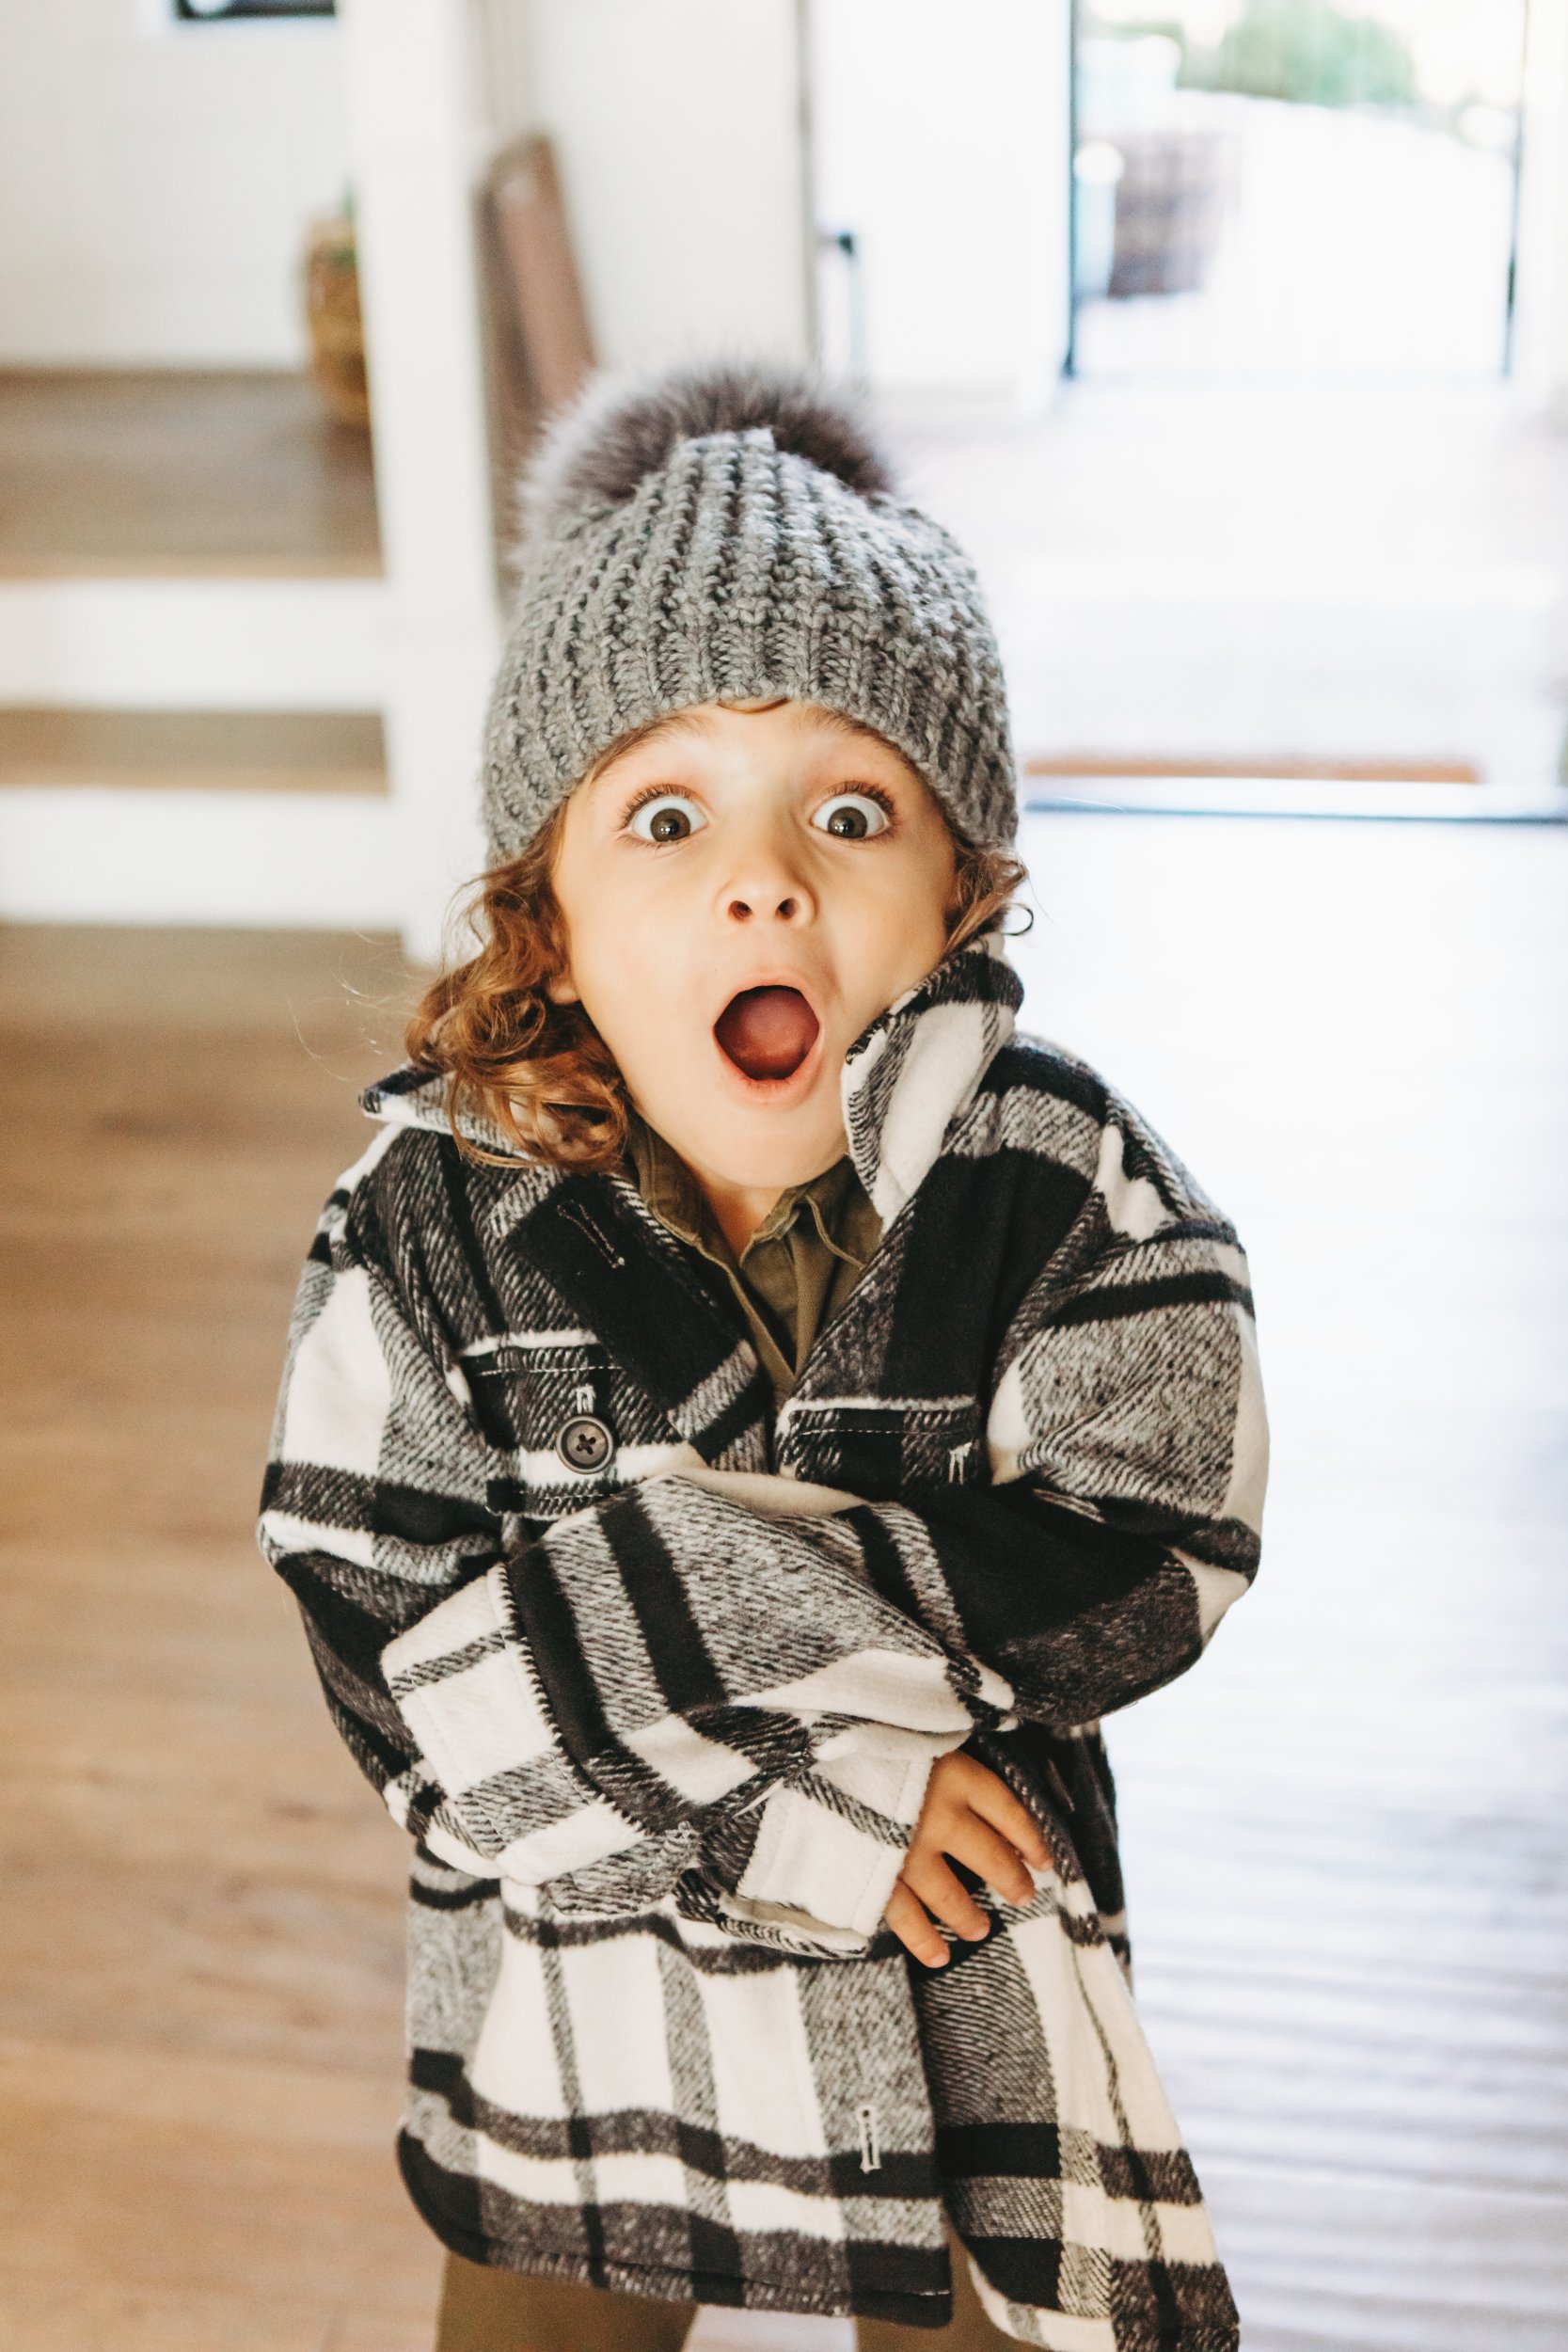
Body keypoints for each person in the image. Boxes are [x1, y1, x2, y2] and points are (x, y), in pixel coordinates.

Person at [259, 364, 1267, 2352]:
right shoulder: (425, 1229)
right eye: (664, 812)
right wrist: (815, 1791)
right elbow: (398, 1666)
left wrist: (644, 1624)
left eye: (849, 807)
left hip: (962, 1970)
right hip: (587, 2006)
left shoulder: (1056, 1181)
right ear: (541, 912)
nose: (763, 877)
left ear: (963, 894)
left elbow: (1155, 1529)